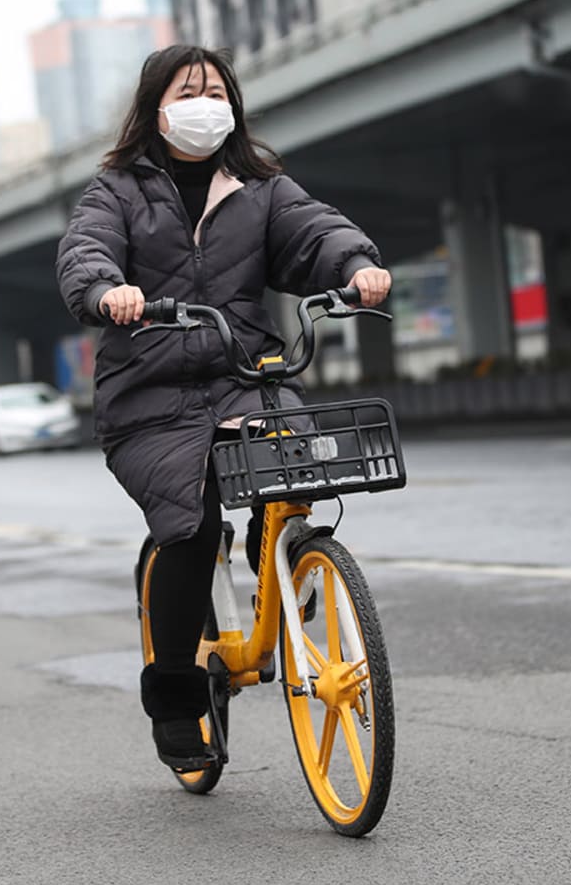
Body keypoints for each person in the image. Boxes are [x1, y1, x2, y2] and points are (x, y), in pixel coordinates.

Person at [55, 45, 392, 772]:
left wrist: (356, 265)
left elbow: (314, 230)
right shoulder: (116, 191)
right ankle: (176, 695)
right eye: (189, 90)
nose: (205, 102)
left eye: (216, 90)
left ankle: (291, 564)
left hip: (247, 376)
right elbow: (86, 251)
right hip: (150, 394)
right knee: (193, 520)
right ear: (156, 107)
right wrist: (107, 291)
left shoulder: (260, 186)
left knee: (304, 463)